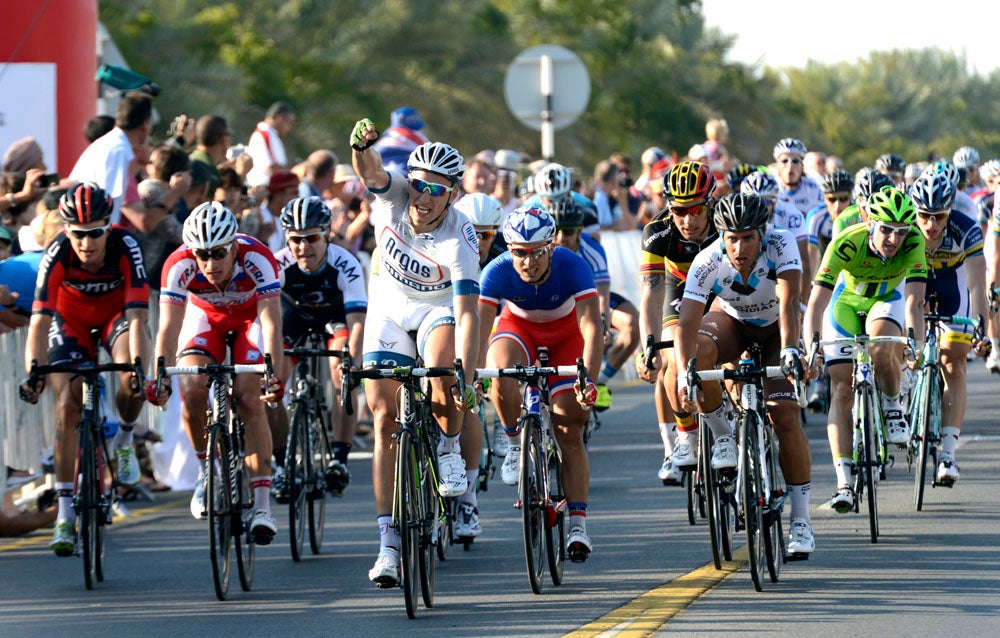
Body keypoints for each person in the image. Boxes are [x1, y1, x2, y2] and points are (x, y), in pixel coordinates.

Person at [349, 118, 480, 586]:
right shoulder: (396, 194)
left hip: (436, 311)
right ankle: (387, 545)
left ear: (454, 195)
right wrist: (361, 145)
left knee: (443, 372)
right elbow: (370, 172)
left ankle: (447, 449)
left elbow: (467, 315)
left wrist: (466, 370)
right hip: (387, 311)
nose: (424, 198)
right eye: (421, 185)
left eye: (437, 191)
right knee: (384, 418)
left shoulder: (460, 238)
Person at [674, 192, 814, 555]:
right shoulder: (707, 260)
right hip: (733, 324)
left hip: (776, 330)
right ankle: (723, 433)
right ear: (721, 236)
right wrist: (682, 374)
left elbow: (789, 301)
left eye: (748, 237)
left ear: (762, 234)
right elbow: (686, 323)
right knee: (698, 352)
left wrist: (789, 351)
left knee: (784, 415)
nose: (739, 247)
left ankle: (800, 521)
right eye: (732, 238)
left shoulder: (781, 244)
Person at [18, 183, 151, 556]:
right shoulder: (57, 251)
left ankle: (124, 442)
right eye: (77, 232)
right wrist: (34, 371)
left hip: (115, 318)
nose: (86, 242)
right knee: (66, 404)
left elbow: (138, 317)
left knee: (130, 379)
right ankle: (64, 516)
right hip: (70, 322)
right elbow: (40, 321)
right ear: (66, 230)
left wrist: (139, 369)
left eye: (94, 232)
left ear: (108, 227)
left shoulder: (126, 246)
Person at [148, 201, 285, 544]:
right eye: (202, 255)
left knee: (250, 400)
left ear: (235, 245)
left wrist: (273, 372)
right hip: (205, 318)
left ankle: (263, 506)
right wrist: (160, 375)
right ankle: (207, 472)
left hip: (249, 320)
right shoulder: (178, 264)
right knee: (192, 390)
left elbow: (271, 324)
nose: (210, 264)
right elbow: (167, 328)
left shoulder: (258, 258)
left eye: (219, 253)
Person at [479, 205, 602, 561]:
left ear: (551, 247)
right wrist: (469, 375)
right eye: (519, 253)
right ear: (509, 249)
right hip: (519, 332)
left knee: (568, 428)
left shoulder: (573, 265)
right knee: (499, 370)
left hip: (567, 338)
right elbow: (480, 331)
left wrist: (588, 379)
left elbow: (592, 327)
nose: (528, 262)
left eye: (537, 253)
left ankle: (577, 523)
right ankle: (515, 442)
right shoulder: (497, 271)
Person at [803, 187, 926, 512]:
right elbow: (816, 303)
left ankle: (891, 406)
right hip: (845, 303)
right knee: (842, 387)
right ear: (870, 221)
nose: (893, 239)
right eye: (886, 229)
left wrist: (916, 345)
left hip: (887, 301)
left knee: (881, 348)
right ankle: (844, 481)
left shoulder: (914, 242)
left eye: (900, 232)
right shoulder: (846, 241)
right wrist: (811, 347)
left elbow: (914, 302)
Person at [269, 197, 367, 499]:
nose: (303, 247)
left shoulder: (345, 263)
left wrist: (354, 357)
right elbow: (267, 318)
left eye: (311, 238)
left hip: (334, 319)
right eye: (295, 240)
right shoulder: (277, 263)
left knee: (342, 370)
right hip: (292, 319)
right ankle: (282, 462)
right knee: (271, 386)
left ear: (326, 234)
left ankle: (338, 457)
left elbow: (357, 320)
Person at [637, 161, 719, 483]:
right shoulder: (657, 232)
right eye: (678, 210)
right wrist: (649, 345)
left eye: (696, 209)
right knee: (672, 358)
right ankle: (685, 435)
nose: (687, 220)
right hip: (679, 288)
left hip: (719, 289)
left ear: (710, 202)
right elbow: (652, 296)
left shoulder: (725, 224)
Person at [910, 172, 988, 485]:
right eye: (924, 216)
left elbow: (975, 284)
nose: (931, 224)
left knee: (953, 363)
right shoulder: (905, 228)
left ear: (949, 211)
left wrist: (980, 327)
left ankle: (948, 455)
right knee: (902, 347)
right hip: (914, 283)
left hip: (950, 285)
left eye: (939, 216)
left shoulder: (965, 228)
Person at [544, 196, 639, 411]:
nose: (561, 238)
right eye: (557, 231)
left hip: (589, 299)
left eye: (568, 232)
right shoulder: (542, 248)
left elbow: (602, 292)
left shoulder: (592, 249)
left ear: (580, 231)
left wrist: (603, 321)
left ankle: (601, 381)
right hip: (554, 303)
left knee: (633, 323)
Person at [69, 92, 154, 224]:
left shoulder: (112, 143)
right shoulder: (118, 150)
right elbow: (110, 200)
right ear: (145, 125)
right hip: (89, 228)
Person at [246, 101, 296, 187]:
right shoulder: (265, 135)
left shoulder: (271, 135)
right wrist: (296, 169)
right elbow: (272, 169)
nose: (289, 127)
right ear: (280, 118)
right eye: (289, 122)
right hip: (263, 189)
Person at [772, 138, 824, 218]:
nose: (790, 166)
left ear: (802, 166)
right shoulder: (770, 190)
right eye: (784, 161)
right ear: (777, 165)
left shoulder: (816, 188)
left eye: (795, 161)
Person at [371, 106, 430, 175]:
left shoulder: (388, 133)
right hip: (398, 174)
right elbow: (430, 154)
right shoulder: (412, 136)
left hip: (374, 172)